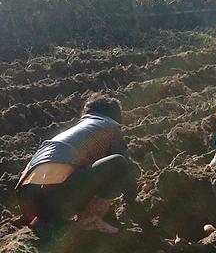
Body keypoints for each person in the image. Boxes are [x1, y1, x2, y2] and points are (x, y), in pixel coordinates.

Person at [15, 93, 138, 234]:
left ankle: (47, 218)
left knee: (89, 171)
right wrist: (132, 200)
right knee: (118, 162)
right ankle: (90, 218)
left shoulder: (78, 131)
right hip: (56, 202)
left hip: (30, 204)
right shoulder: (110, 127)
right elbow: (127, 167)